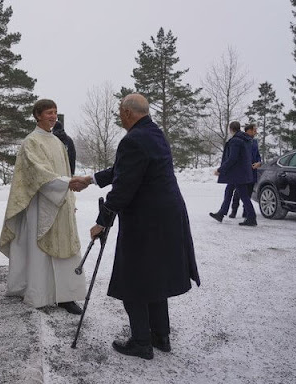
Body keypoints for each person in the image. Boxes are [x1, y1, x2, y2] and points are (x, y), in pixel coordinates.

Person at [70, 94, 200, 360]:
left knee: (134, 278)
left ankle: (141, 342)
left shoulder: (133, 139)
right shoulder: (153, 133)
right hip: (166, 216)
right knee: (154, 276)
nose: (119, 116)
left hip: (147, 220)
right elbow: (123, 170)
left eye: (120, 111)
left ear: (128, 112)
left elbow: (124, 187)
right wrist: (91, 179)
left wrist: (102, 221)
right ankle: (160, 336)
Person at [0, 99, 86, 315]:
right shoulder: (31, 142)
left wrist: (69, 193)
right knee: (40, 250)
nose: (53, 116)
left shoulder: (57, 142)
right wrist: (67, 183)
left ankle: (67, 296)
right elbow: (37, 173)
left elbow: (66, 169)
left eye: (55, 112)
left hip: (61, 201)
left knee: (65, 248)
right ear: (37, 115)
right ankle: (40, 293)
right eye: (49, 112)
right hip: (40, 205)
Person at [209, 121, 257, 226]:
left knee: (243, 195)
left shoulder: (236, 141)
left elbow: (232, 158)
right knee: (229, 191)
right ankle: (221, 213)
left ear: (230, 129)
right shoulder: (246, 140)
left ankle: (252, 217)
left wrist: (220, 169)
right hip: (240, 172)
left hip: (237, 173)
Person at [229, 123, 262, 218]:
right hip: (242, 171)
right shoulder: (241, 140)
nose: (256, 132)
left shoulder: (255, 142)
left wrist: (259, 163)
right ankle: (234, 210)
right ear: (249, 130)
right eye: (254, 130)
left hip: (252, 171)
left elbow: (258, 156)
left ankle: (246, 212)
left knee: (248, 193)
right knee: (238, 192)